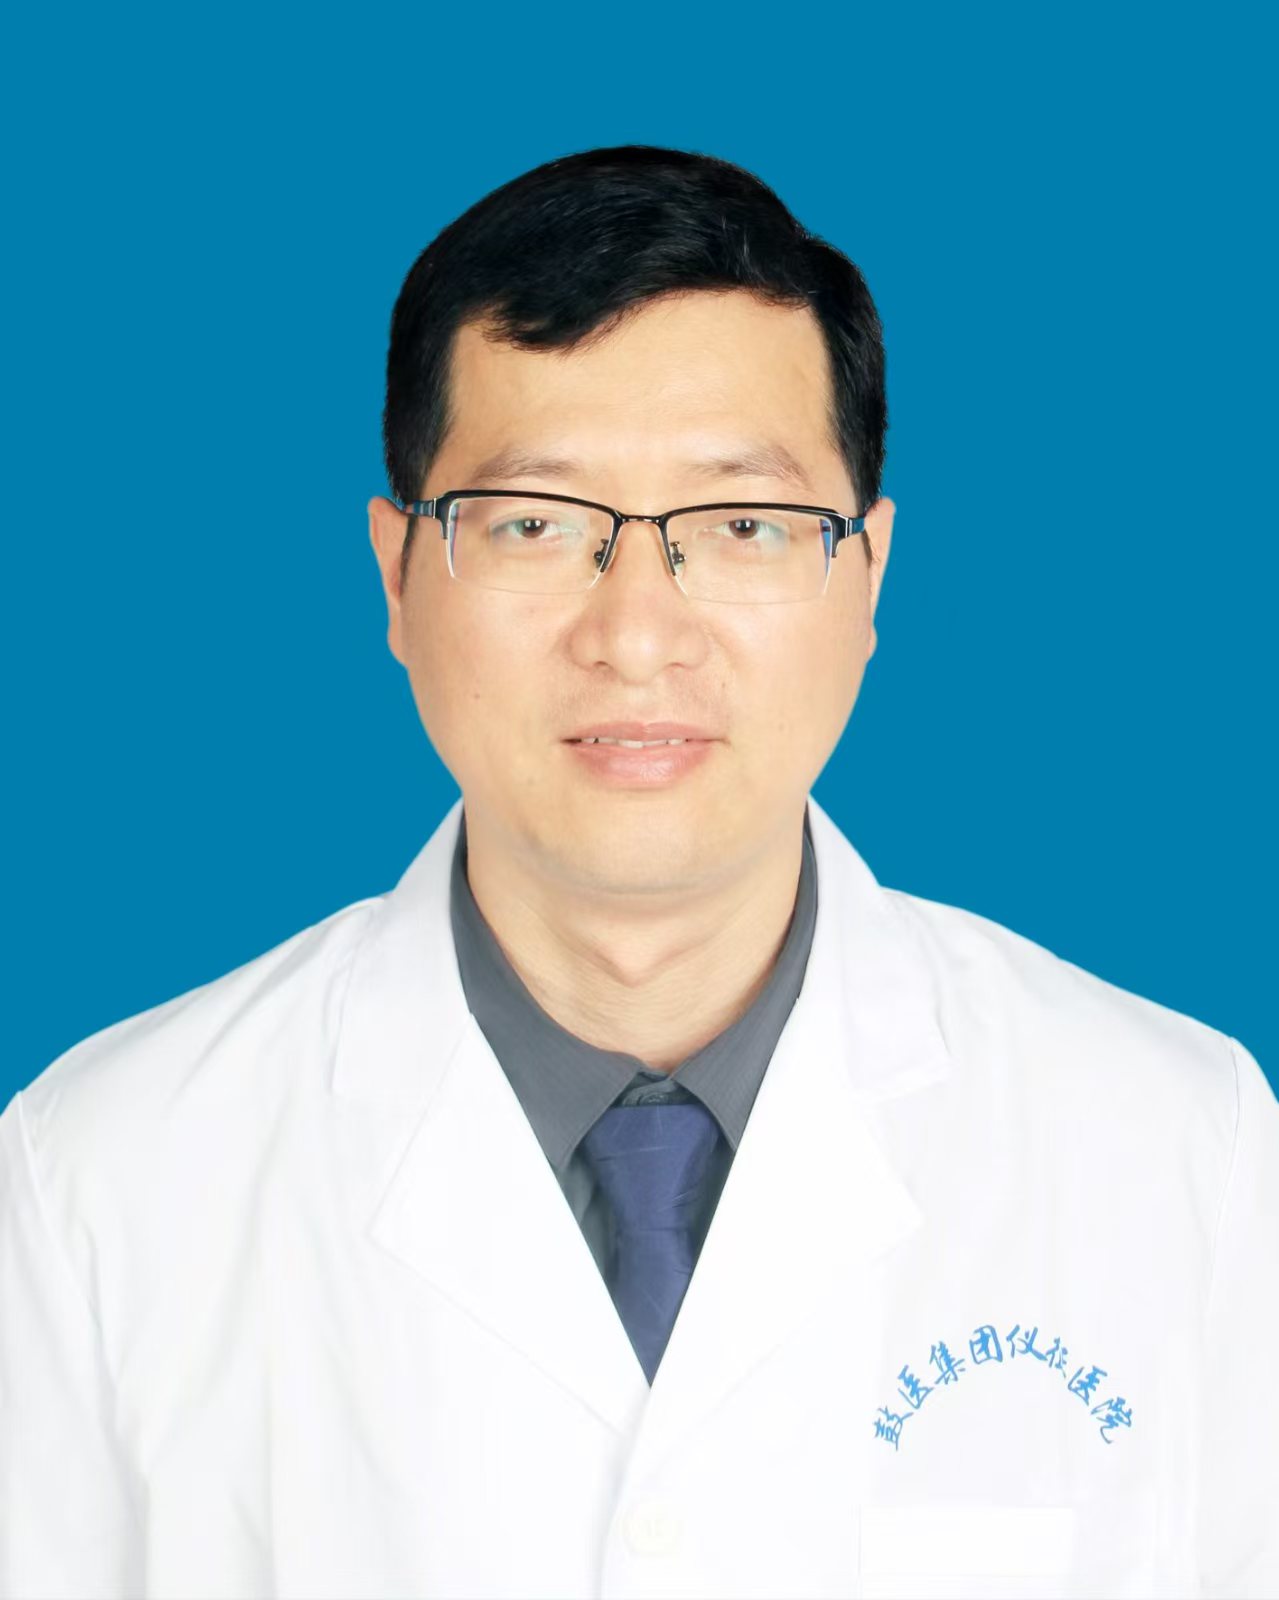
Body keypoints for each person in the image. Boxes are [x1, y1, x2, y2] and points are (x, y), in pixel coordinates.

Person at [1, 144, 1274, 1600]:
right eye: (534, 525)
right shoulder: (100, 1181)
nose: (637, 635)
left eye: (744, 527)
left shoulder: (1182, 1152)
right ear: (397, 576)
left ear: (868, 576)